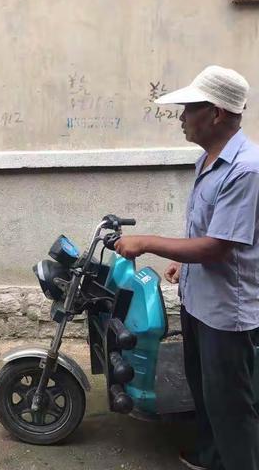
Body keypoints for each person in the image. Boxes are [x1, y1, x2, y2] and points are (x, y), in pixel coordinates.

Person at [115, 66, 259, 470]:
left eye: (188, 109)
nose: (180, 118)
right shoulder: (208, 160)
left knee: (231, 404)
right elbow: (207, 228)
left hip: (226, 313)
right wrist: (180, 256)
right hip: (199, 300)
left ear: (215, 113)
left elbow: (217, 247)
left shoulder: (245, 169)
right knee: (204, 392)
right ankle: (212, 456)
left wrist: (145, 242)